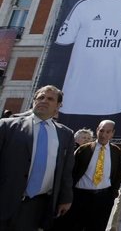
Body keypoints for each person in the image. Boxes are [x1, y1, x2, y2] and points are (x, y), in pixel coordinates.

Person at [0, 85, 75, 231]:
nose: (44, 101)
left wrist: (66, 198)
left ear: (58, 106)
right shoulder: (7, 126)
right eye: (40, 97)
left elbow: (66, 170)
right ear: (34, 101)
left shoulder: (65, 134)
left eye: (50, 98)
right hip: (5, 199)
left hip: (36, 207)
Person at [56, 120, 121, 231]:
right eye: (101, 131)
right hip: (80, 197)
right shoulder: (84, 150)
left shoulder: (115, 151)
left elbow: (118, 174)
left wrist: (112, 194)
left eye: (108, 132)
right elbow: (70, 172)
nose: (104, 134)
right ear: (97, 130)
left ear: (112, 133)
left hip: (103, 199)